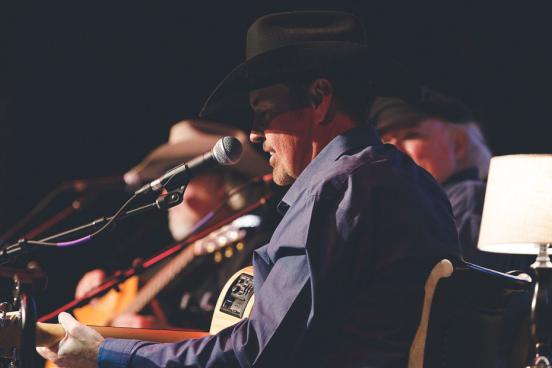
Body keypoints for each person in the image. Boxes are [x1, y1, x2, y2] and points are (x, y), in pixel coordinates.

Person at [37, 11, 460, 367]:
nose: (255, 135)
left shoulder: (333, 192)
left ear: (319, 98)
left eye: (264, 112)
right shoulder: (412, 181)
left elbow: (256, 352)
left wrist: (109, 355)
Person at [370, 94, 532, 367]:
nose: (393, 149)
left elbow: (455, 306)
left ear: (457, 145)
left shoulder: (468, 200)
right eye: (386, 141)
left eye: (411, 135)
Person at [73, 119, 273, 330]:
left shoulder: (255, 252)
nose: (166, 194)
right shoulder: (158, 242)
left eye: (180, 180)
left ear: (221, 184)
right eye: (166, 183)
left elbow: (245, 344)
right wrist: (100, 287)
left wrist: (163, 339)